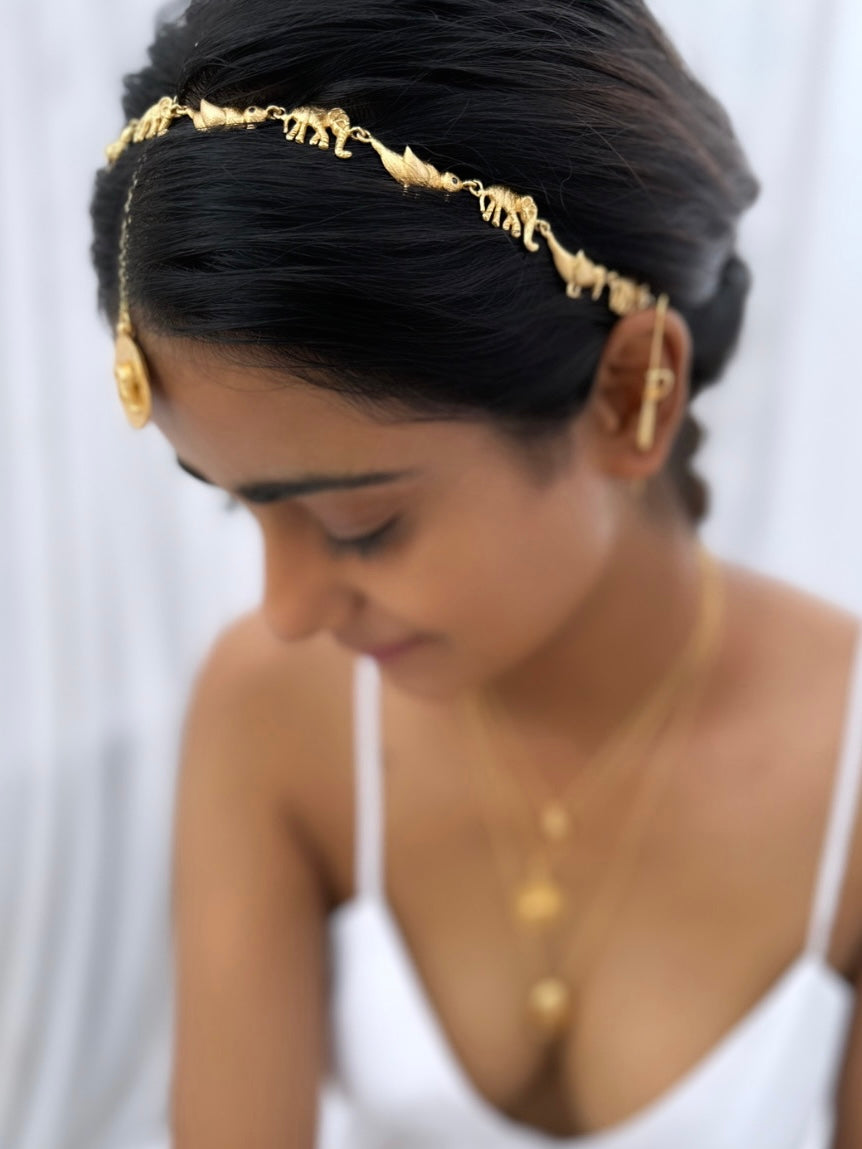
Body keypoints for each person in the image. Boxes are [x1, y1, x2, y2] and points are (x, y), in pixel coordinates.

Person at [90, 1, 862, 1145]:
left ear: (630, 395)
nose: (287, 611)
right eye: (237, 507)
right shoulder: (274, 715)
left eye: (362, 526)